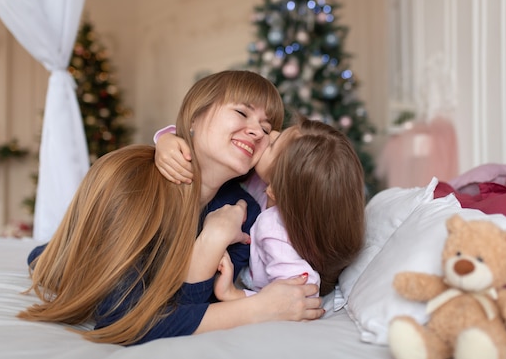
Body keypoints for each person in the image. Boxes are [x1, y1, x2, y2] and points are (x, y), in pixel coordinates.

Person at [18, 70, 324, 346]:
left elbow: (188, 305)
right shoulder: (131, 182)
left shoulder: (244, 217)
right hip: (67, 260)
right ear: (194, 118)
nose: (257, 132)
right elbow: (122, 319)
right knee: (48, 258)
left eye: (266, 127)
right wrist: (257, 309)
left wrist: (212, 240)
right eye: (242, 112)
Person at [155, 117, 366, 300]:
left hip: (235, 279)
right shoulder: (268, 183)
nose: (270, 133)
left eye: (273, 145)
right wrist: (167, 140)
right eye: (279, 133)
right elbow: (208, 144)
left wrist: (235, 295)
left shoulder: (273, 230)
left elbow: (303, 293)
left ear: (275, 189)